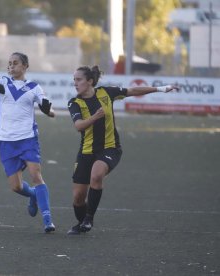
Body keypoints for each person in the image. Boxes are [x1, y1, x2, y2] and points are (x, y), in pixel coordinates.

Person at [66, 65, 179, 235]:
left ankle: (89, 218)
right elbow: (78, 126)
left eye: (79, 79)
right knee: (78, 198)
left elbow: (133, 90)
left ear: (90, 81)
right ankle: (82, 222)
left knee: (96, 175)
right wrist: (95, 117)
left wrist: (161, 89)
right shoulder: (74, 102)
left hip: (110, 148)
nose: (75, 83)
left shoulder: (106, 93)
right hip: (86, 151)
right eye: (74, 80)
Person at [0, 52, 56, 233]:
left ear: (25, 66)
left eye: (15, 63)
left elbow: (48, 109)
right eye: (9, 63)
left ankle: (47, 219)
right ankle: (33, 195)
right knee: (16, 187)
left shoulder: (34, 87)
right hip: (6, 140)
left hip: (28, 139)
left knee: (36, 175)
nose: (11, 66)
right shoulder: (2, 82)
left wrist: (49, 110)